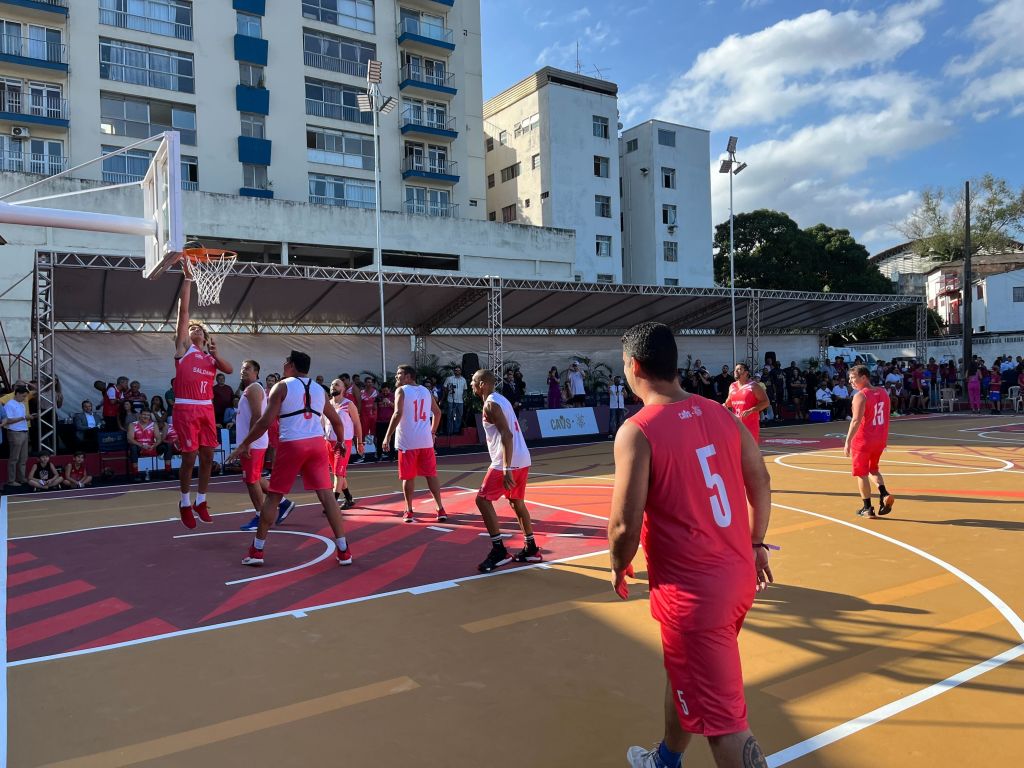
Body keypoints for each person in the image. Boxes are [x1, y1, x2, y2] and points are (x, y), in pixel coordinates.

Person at [607, 322, 772, 768]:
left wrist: (618, 565)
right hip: (735, 578)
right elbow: (760, 481)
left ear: (635, 366)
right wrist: (756, 542)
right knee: (685, 674)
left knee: (727, 726)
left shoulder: (638, 430)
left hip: (696, 596)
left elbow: (624, 524)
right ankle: (665, 759)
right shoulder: (722, 415)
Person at [229, 350, 352, 567]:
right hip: (316, 444)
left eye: (286, 362)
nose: (283, 364)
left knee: (273, 497)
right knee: (327, 497)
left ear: (292, 365)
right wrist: (341, 442)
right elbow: (337, 421)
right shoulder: (318, 389)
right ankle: (344, 550)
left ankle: (257, 550)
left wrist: (244, 443)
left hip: (292, 444)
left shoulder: (282, 386)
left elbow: (264, 422)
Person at [173, 263, 233, 529]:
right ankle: (185, 502)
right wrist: (188, 278)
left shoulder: (211, 359)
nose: (195, 329)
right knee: (189, 457)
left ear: (206, 336)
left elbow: (230, 370)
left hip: (206, 408)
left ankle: (201, 500)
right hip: (186, 408)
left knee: (209, 456)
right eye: (192, 328)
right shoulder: (184, 349)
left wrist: (216, 352)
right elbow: (183, 312)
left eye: (200, 329)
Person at [470, 369, 541, 572]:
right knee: (516, 502)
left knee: (482, 500)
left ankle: (499, 550)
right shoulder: (501, 399)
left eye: (473, 381)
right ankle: (531, 548)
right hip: (522, 457)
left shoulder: (491, 404)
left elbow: (507, 435)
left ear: (483, 383)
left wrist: (506, 468)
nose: (471, 384)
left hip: (508, 460)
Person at [235, 359, 296, 533]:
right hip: (252, 442)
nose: (243, 370)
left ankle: (260, 516)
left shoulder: (254, 388)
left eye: (247, 368)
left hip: (252, 443)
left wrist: (248, 442)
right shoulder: (249, 389)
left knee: (251, 480)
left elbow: (256, 416)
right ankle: (284, 503)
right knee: (255, 477)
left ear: (256, 372)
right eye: (242, 367)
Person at [381, 364, 446, 523]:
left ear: (408, 376)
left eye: (399, 374)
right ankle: (440, 508)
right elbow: (437, 413)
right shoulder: (426, 390)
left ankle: (409, 510)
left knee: (408, 477)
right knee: (431, 475)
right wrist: (432, 432)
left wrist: (387, 436)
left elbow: (397, 413)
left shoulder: (401, 390)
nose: (397, 377)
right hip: (425, 440)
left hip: (408, 441)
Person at [844, 365, 895, 518]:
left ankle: (867, 507)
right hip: (879, 439)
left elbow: (856, 421)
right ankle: (884, 493)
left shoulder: (861, 396)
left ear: (864, 377)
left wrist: (847, 441)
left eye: (853, 378)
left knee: (862, 473)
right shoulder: (883, 392)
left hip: (864, 440)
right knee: (873, 468)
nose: (850, 381)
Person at [324, 378, 363, 510]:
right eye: (331, 384)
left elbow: (357, 423)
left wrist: (360, 442)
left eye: (336, 384)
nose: (333, 387)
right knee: (338, 472)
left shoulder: (348, 404)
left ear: (343, 389)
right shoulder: (327, 404)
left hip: (343, 443)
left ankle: (332, 504)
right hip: (329, 442)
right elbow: (322, 424)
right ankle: (348, 498)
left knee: (338, 474)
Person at [724, 363, 769, 442]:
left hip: (750, 426)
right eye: (735, 369)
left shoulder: (754, 386)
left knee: (750, 453)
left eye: (739, 369)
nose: (736, 371)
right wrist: (722, 406)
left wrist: (751, 410)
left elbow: (766, 402)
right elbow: (729, 402)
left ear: (746, 373)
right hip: (736, 425)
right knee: (737, 451)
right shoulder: (732, 386)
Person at [127, 408, 173, 481]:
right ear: (140, 415)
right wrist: (142, 446)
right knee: (133, 447)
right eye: (144, 414)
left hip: (152, 447)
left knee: (168, 445)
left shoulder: (153, 424)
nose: (146, 417)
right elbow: (130, 439)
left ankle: (168, 471)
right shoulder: (132, 425)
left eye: (148, 415)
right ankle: (135, 474)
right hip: (139, 447)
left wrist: (154, 445)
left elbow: (158, 438)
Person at [3, 383, 34, 488]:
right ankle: (11, 480)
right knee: (14, 458)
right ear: (17, 394)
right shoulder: (9, 404)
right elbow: (8, 420)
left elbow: (22, 418)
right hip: (15, 432)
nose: (24, 398)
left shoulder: (21, 404)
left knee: (23, 458)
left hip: (24, 431)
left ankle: (21, 478)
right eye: (23, 396)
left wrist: (27, 418)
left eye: (25, 396)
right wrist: (24, 418)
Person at [443, 366, 467, 435]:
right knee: (450, 416)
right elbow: (444, 387)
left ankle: (456, 431)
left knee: (459, 416)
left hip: (460, 401)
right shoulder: (449, 379)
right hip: (451, 400)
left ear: (460, 371)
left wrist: (464, 396)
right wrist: (447, 392)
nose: (457, 371)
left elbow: (465, 389)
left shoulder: (463, 379)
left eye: (458, 370)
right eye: (456, 370)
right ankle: (449, 431)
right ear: (454, 371)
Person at [375, 383, 395, 462]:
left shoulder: (393, 396)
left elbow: (397, 408)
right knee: (379, 439)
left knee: (391, 439)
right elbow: (374, 408)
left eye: (386, 390)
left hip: (390, 421)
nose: (385, 392)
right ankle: (379, 456)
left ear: (389, 389)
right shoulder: (379, 396)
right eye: (383, 391)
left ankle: (392, 456)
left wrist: (389, 402)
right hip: (380, 421)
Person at [608, 374, 627, 439]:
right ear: (614, 381)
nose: (617, 381)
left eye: (618, 380)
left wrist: (623, 391)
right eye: (616, 380)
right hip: (613, 406)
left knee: (620, 420)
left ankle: (619, 433)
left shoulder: (622, 387)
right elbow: (608, 391)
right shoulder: (611, 387)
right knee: (612, 420)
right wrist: (610, 380)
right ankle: (611, 433)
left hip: (620, 406)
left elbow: (626, 396)